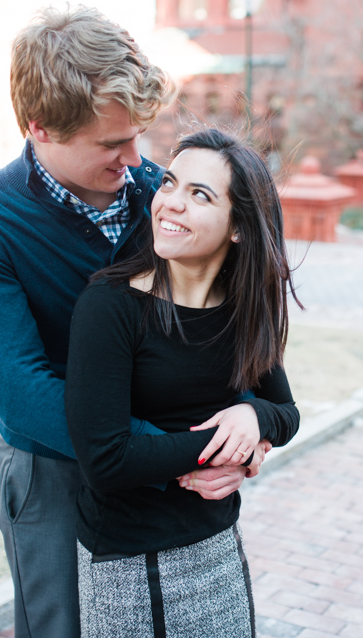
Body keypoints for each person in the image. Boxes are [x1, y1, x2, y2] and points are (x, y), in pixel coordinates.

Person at [0, 7, 267, 638]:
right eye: (111, 143)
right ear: (40, 128)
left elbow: (223, 316)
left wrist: (243, 427)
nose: (135, 158)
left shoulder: (158, 195)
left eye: (139, 134)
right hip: (56, 469)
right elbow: (22, 388)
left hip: (172, 456)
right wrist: (175, 452)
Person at [65, 128, 301, 637]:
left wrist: (253, 417)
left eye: (199, 194)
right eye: (169, 183)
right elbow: (106, 460)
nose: (169, 203)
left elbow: (286, 413)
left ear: (238, 226)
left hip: (217, 544)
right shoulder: (110, 307)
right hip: (127, 561)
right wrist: (224, 450)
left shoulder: (244, 310)